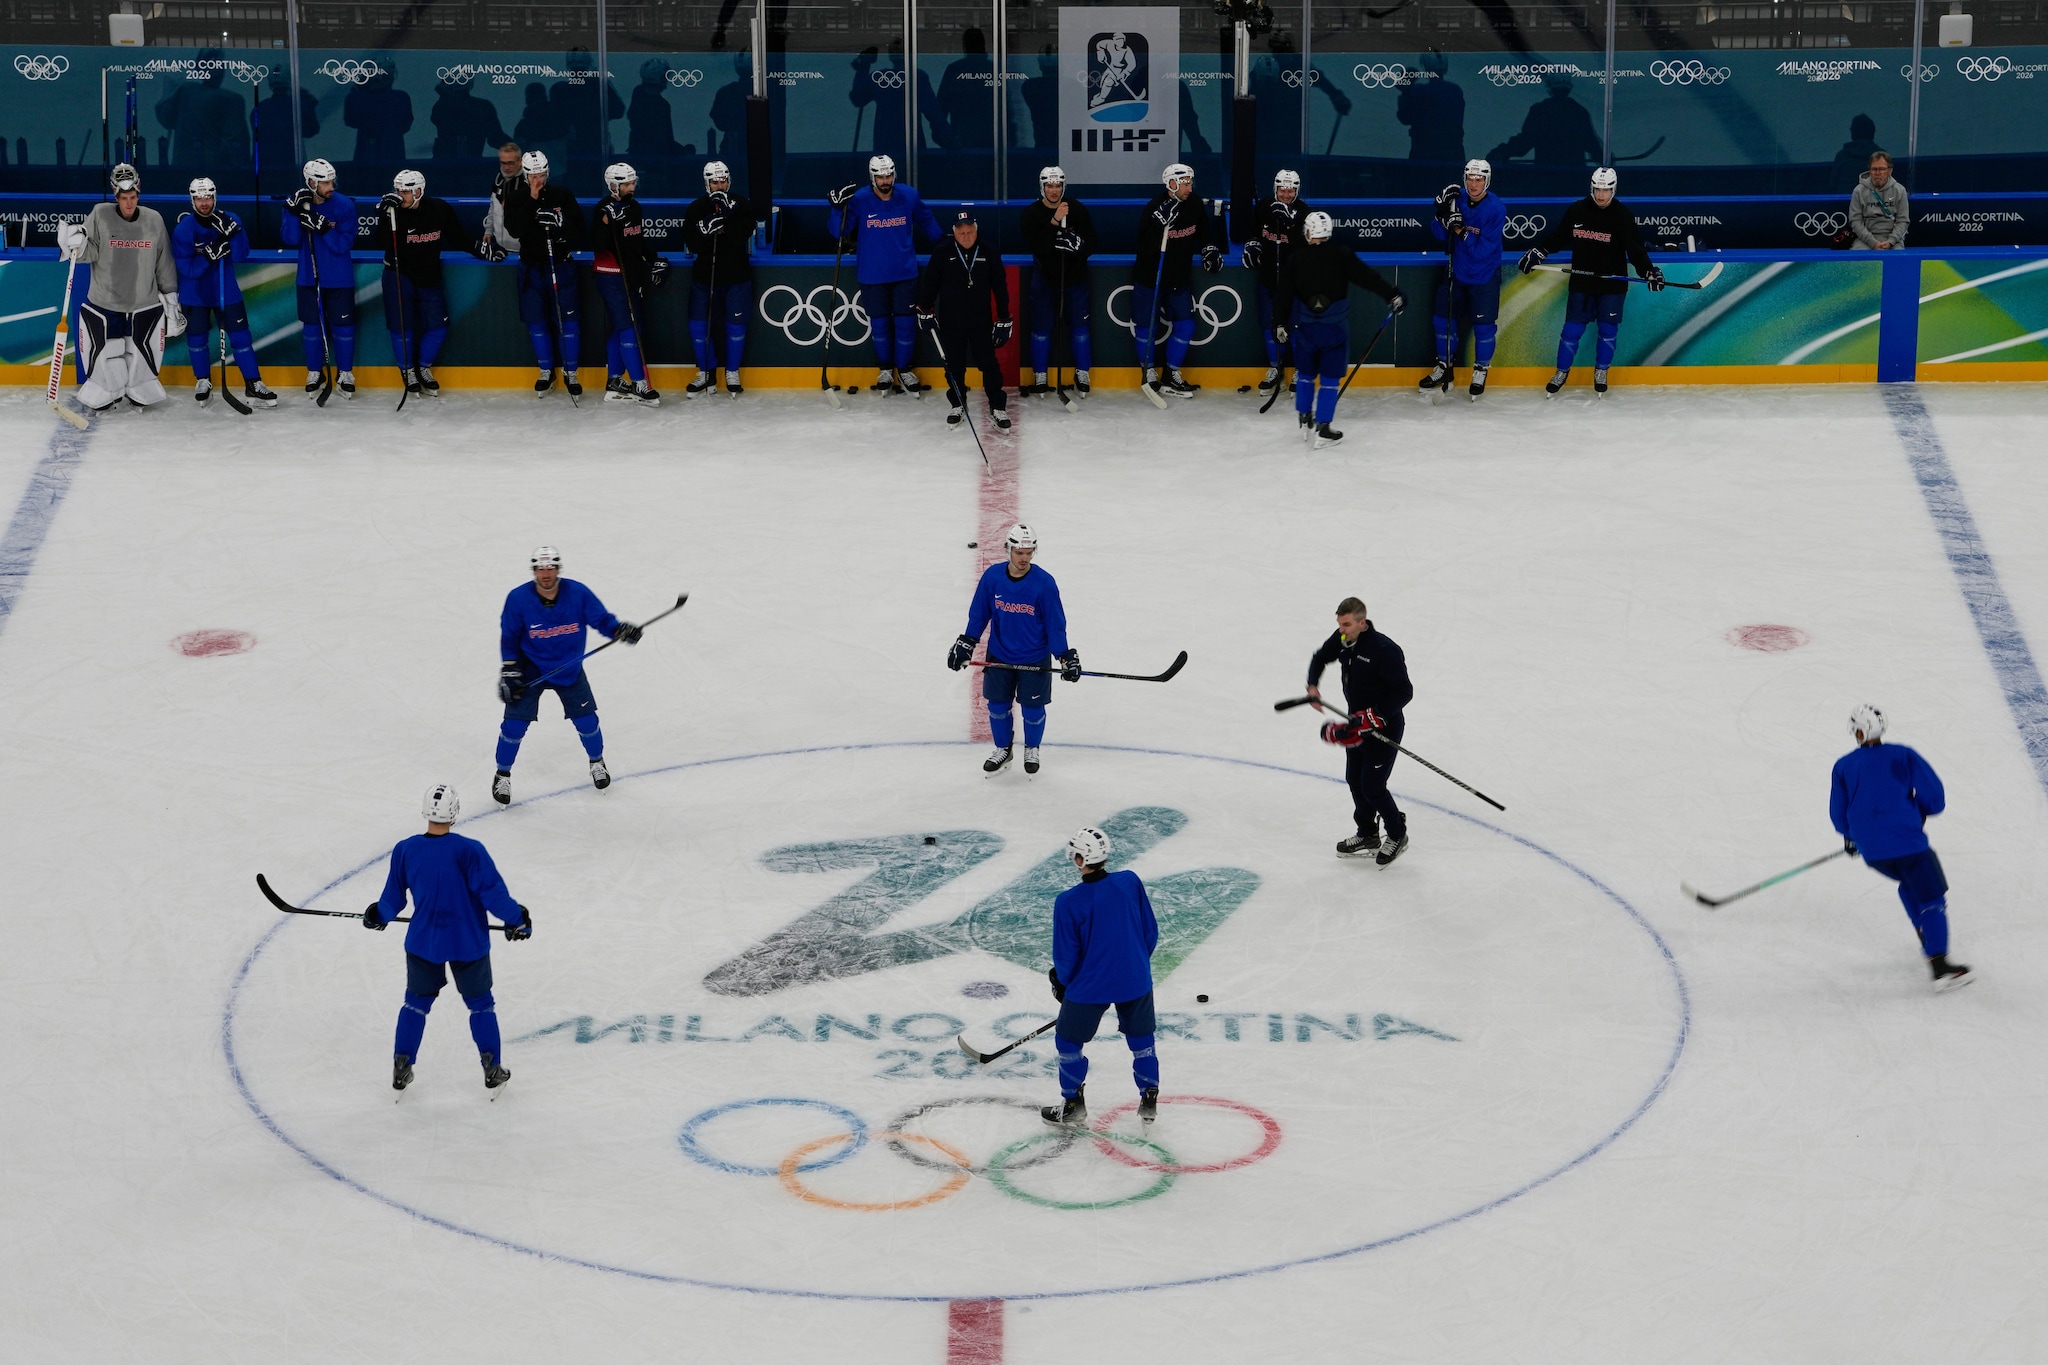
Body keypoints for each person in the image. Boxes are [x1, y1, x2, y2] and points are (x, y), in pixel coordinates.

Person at [366, 782, 534, 1095]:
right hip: (467, 942)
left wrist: (378, 915)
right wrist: (517, 920)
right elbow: (493, 896)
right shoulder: (469, 850)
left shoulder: (406, 849)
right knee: (481, 1005)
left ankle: (402, 1066)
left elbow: (391, 900)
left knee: (415, 1004)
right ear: (454, 812)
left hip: (423, 943)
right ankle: (492, 1067)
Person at [1830, 705, 1970, 991]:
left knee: (1908, 885)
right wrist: (1917, 810)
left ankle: (1925, 936)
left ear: (1858, 732)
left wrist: (1852, 837)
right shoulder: (1903, 755)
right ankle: (1941, 967)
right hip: (1909, 845)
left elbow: (1838, 814)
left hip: (1874, 853)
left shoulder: (1843, 766)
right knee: (1931, 898)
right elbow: (1935, 799)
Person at [494, 546, 642, 804]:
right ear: (534, 571)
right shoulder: (518, 599)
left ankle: (597, 762)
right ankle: (502, 774)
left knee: (587, 721)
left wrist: (619, 630)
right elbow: (509, 637)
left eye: (550, 567)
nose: (546, 573)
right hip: (531, 668)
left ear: (558, 569)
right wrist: (509, 669)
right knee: (513, 726)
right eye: (540, 568)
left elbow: (602, 620)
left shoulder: (578, 593)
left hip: (569, 667)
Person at [1041, 825, 1161, 1130]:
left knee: (1068, 1042)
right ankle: (1149, 1097)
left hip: (1089, 986)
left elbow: (1066, 955)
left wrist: (1063, 983)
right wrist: (1133, 964)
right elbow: (1149, 931)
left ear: (1080, 859)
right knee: (1142, 1041)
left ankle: (1072, 1106)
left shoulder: (1067, 902)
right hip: (1135, 978)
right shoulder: (1130, 881)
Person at [1518, 166, 1663, 398]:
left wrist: (1649, 272)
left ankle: (1601, 371)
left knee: (1607, 331)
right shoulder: (1577, 210)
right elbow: (1559, 237)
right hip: (1582, 283)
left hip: (1612, 286)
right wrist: (1540, 250)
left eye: (1605, 190)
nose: (1600, 195)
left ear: (1613, 189)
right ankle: (1561, 372)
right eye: (1597, 189)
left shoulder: (1622, 215)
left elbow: (1635, 251)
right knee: (1570, 332)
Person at [947, 523, 1076, 776]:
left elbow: (1055, 624)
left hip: (1034, 658)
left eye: (1029, 552)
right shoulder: (993, 577)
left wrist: (1064, 656)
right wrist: (967, 643)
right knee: (997, 706)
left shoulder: (1044, 583)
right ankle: (1003, 749)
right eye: (1019, 552)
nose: (1024, 558)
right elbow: (979, 614)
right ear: (1008, 549)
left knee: (1032, 709)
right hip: (1000, 655)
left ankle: (1032, 748)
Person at [54, 163, 181, 412]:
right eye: (124, 198)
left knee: (140, 358)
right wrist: (73, 244)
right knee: (107, 355)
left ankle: (139, 390)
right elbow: (87, 253)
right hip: (105, 303)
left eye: (133, 197)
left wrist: (172, 301)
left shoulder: (154, 219)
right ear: (116, 195)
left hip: (144, 304)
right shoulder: (100, 214)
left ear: (139, 194)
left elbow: (164, 262)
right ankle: (105, 392)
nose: (129, 203)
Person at [1274, 211, 1403, 449]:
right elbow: (1368, 278)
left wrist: (1279, 323)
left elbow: (1283, 294)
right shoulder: (1341, 255)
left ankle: (1304, 418)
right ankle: (1323, 428)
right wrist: (1392, 294)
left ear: (1309, 232)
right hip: (1334, 331)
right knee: (1330, 380)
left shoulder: (1294, 258)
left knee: (1305, 375)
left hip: (1305, 330)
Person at [1305, 596, 1413, 865]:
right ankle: (1367, 834)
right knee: (1354, 780)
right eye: (1340, 624)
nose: (1341, 630)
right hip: (1357, 726)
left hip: (1384, 729)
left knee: (1373, 787)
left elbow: (1404, 692)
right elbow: (1320, 656)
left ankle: (1397, 834)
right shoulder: (1344, 640)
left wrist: (1375, 715)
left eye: (1347, 624)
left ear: (1362, 622)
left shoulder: (1384, 649)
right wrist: (1312, 685)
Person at [828, 155, 942, 396]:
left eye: (888, 175)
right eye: (880, 176)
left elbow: (927, 220)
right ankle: (885, 369)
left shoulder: (909, 195)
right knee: (879, 325)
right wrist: (838, 208)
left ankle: (905, 369)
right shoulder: (859, 199)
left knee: (905, 324)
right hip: (872, 275)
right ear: (872, 177)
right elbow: (839, 232)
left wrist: (943, 245)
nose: (885, 180)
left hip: (904, 273)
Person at [379, 169, 494, 397]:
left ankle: (423, 367)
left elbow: (458, 237)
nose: (401, 196)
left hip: (429, 276)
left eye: (406, 191)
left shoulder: (439, 209)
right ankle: (408, 371)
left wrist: (484, 251)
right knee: (403, 328)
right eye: (398, 191)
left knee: (438, 327)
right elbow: (381, 241)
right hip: (398, 275)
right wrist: (384, 215)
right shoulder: (392, 212)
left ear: (419, 191)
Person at [171, 177, 274, 408]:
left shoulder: (231, 220)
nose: (204, 202)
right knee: (197, 340)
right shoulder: (184, 230)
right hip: (195, 294)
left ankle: (253, 383)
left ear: (214, 197)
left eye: (207, 197)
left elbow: (239, 255)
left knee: (241, 338)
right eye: (199, 198)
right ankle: (203, 381)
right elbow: (187, 269)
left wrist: (233, 233)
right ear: (192, 199)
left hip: (226, 290)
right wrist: (209, 255)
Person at [1131, 162, 1222, 400]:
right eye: (1185, 183)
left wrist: (1208, 247)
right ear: (1171, 184)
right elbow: (1143, 244)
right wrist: (1157, 225)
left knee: (1186, 325)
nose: (1189, 187)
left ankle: (1171, 374)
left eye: (1191, 183)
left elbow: (1202, 229)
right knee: (1146, 327)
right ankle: (1148, 372)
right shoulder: (1155, 208)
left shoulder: (1193, 203)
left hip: (1178, 277)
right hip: (1150, 277)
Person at [916, 206, 1013, 431]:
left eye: (969, 231)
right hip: (951, 320)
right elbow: (929, 283)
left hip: (981, 320)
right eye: (961, 232)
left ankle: (997, 406)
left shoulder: (989, 251)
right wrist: (923, 309)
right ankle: (958, 403)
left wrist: (1005, 317)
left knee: (989, 364)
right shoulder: (942, 251)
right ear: (954, 231)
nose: (966, 236)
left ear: (976, 230)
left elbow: (1000, 287)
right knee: (954, 365)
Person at [500, 150, 587, 397]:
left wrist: (561, 225)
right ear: (526, 175)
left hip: (561, 266)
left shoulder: (562, 194)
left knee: (568, 323)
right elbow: (514, 229)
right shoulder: (516, 196)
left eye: (542, 174)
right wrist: (532, 200)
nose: (538, 179)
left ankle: (571, 373)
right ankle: (546, 371)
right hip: (532, 269)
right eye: (533, 175)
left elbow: (580, 231)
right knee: (537, 323)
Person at [1420, 158, 1505, 399]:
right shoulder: (1458, 200)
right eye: (1470, 178)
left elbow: (1480, 251)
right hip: (1456, 273)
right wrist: (1442, 214)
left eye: (1479, 179)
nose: (1474, 184)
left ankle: (1480, 369)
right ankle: (1444, 367)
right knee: (1441, 321)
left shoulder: (1496, 209)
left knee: (1484, 328)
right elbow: (1437, 233)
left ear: (1486, 181)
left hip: (1484, 275)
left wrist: (1459, 229)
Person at [280, 159, 360, 398]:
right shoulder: (296, 205)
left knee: (343, 328)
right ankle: (315, 371)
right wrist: (295, 213)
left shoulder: (344, 205)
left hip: (339, 278)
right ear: (311, 182)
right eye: (325, 182)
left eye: (332, 180)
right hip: (308, 277)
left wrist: (324, 229)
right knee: (312, 329)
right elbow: (291, 239)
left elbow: (344, 244)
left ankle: (345, 373)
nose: (331, 186)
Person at [589, 161, 667, 406]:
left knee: (629, 327)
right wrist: (607, 221)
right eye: (627, 184)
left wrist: (655, 258)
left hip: (630, 275)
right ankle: (639, 383)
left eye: (633, 182)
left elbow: (636, 240)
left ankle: (614, 379)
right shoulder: (603, 209)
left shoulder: (634, 207)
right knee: (629, 329)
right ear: (614, 186)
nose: (632, 187)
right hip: (611, 275)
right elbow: (597, 245)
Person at [1017, 165, 1094, 397]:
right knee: (1041, 330)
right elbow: (1038, 245)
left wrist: (1078, 247)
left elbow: (1092, 241)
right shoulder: (1031, 213)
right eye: (1049, 185)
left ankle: (1082, 372)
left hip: (1075, 280)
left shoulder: (1077, 209)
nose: (1053, 190)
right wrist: (1054, 222)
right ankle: (1040, 375)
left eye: (1057, 185)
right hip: (1045, 281)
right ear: (1042, 187)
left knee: (1079, 329)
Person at [680, 160, 753, 397]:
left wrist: (728, 217)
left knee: (735, 328)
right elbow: (692, 244)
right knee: (699, 328)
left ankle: (732, 371)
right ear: (707, 183)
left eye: (723, 181)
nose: (719, 186)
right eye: (714, 182)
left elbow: (741, 237)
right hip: (704, 278)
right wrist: (704, 230)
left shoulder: (741, 204)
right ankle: (705, 372)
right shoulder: (696, 208)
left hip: (736, 278)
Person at [1242, 169, 1313, 397]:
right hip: (1268, 280)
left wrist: (1291, 225)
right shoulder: (1264, 207)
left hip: (1294, 285)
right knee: (1269, 327)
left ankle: (1300, 370)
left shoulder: (1304, 212)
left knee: (1296, 327)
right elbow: (1254, 232)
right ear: (1276, 188)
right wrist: (1252, 245)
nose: (1286, 194)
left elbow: (1310, 246)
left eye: (1290, 190)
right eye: (1282, 189)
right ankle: (1276, 368)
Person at [154, 49, 249, 170]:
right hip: (215, 171)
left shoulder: (185, 91)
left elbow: (166, 119)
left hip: (182, 167)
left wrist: (166, 96)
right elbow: (234, 143)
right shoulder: (233, 100)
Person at [1487, 73, 1601, 167]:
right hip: (1574, 179)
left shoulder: (1541, 111)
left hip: (1546, 177)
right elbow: (1591, 144)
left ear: (1549, 87)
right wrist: (1604, 159)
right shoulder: (1579, 112)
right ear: (1569, 88)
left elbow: (1525, 141)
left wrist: (1501, 152)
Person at [252, 71, 320, 196]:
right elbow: (312, 129)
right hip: (291, 165)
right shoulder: (299, 106)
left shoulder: (260, 108)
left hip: (266, 167)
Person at [1396, 50, 1465, 165]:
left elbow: (1405, 117)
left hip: (1424, 153)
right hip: (1454, 153)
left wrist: (1405, 94)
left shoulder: (1420, 90)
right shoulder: (1455, 91)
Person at [345, 63, 414, 165]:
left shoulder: (358, 98)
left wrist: (358, 88)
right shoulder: (401, 98)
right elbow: (406, 125)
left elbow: (350, 120)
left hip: (366, 156)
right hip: (394, 156)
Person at [430, 73, 509, 161]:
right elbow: (495, 137)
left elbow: (495, 137)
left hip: (446, 165)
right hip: (471, 164)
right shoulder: (482, 106)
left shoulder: (442, 106)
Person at [627, 59, 687, 161]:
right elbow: (663, 137)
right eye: (665, 76)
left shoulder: (638, 94)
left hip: (640, 154)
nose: (667, 80)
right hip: (654, 159)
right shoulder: (660, 105)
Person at [1849, 151, 1909, 250]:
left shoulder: (1900, 190)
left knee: (1898, 257)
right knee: (1857, 256)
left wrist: (1891, 241)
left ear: (1889, 171)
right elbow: (1855, 221)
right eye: (1874, 169)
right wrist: (1872, 242)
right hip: (1865, 239)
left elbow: (1903, 221)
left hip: (1893, 239)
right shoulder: (1858, 191)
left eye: (1881, 169)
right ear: (1870, 170)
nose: (1877, 173)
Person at [484, 142, 524, 255]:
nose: (506, 167)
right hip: (500, 247)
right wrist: (488, 231)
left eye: (510, 163)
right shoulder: (498, 180)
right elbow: (493, 208)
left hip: (523, 249)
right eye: (503, 163)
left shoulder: (529, 184)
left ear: (520, 161)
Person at [1830, 114, 1881, 193]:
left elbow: (1833, 186)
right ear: (1873, 132)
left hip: (1844, 204)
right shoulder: (1882, 156)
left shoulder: (1841, 156)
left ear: (1853, 133)